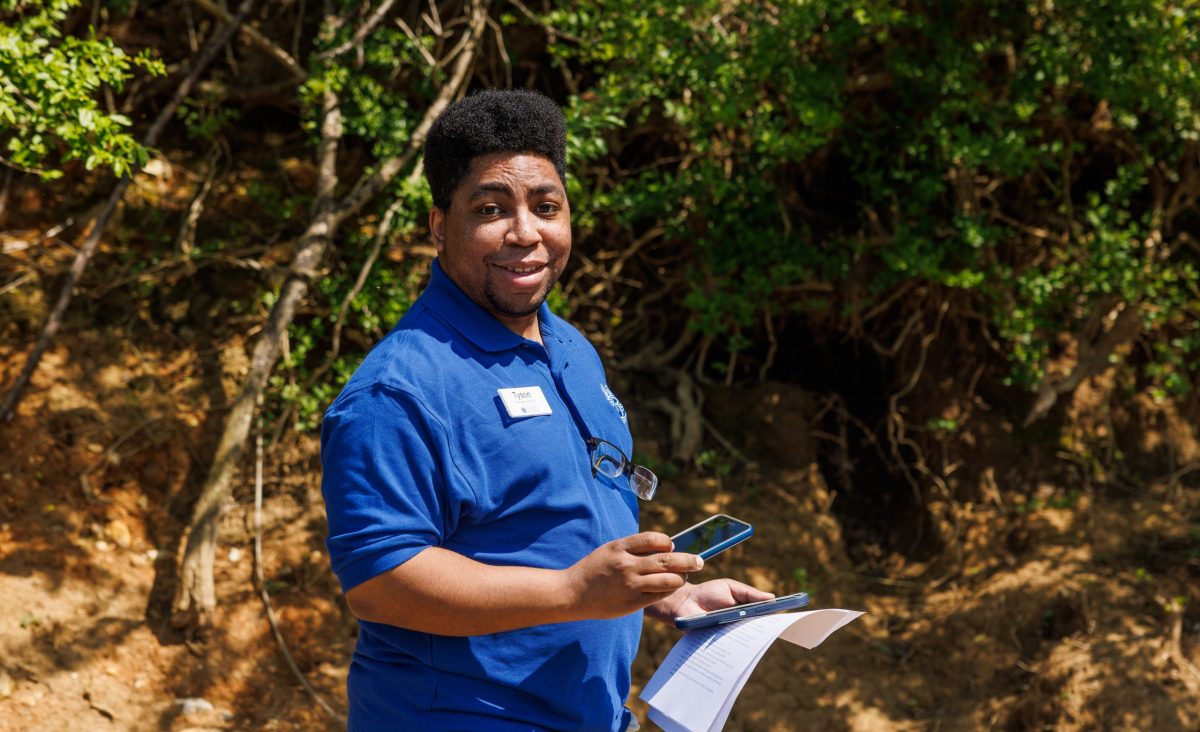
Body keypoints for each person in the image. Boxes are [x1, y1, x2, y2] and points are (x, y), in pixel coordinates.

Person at [320, 89, 772, 731]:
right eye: (490, 208)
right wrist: (574, 593)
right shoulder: (398, 391)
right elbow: (380, 580)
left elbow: (552, 526)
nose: (525, 233)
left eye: (546, 206)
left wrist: (671, 594)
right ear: (438, 225)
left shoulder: (570, 347)